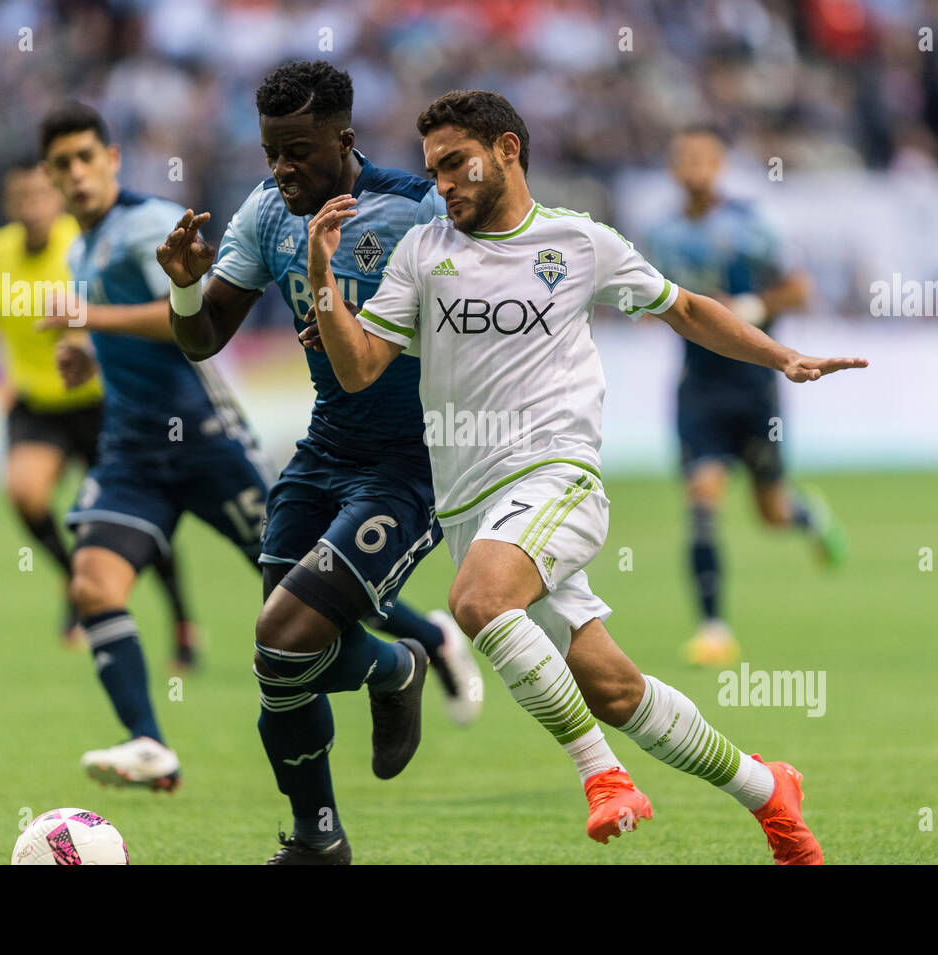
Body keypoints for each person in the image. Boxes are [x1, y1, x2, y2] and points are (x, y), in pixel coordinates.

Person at [305, 90, 869, 863]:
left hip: (556, 478)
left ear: (506, 150)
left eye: (455, 163)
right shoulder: (422, 252)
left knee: (476, 599)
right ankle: (769, 791)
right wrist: (323, 281)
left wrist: (784, 356)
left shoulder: (578, 243)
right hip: (470, 505)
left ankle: (603, 778)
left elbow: (685, 309)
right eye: (432, 170)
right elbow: (359, 366)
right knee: (612, 687)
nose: (442, 184)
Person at [160, 60, 482, 865]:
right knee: (284, 660)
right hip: (323, 451)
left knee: (282, 634)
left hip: (410, 467)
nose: (281, 169)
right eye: (271, 150)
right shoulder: (268, 212)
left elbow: (481, 322)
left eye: (297, 150)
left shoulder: (417, 209)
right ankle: (325, 824)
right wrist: (188, 290)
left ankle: (390, 676)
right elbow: (203, 340)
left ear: (343, 139)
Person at [38, 102, 274, 791]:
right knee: (92, 584)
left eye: (87, 157)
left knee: (309, 586)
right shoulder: (81, 247)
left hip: (203, 438)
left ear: (112, 159)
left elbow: (185, 320)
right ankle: (149, 741)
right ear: (51, 177)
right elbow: (118, 331)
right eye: (62, 164)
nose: (77, 173)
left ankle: (420, 645)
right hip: (134, 452)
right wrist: (88, 350)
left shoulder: (150, 223)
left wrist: (89, 317)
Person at [0, 158, 199, 663]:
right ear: (9, 203)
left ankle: (181, 621)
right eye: (22, 198)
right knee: (24, 493)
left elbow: (118, 305)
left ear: (57, 197)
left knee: (138, 518)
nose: (33, 207)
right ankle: (74, 580)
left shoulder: (84, 247)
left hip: (103, 401)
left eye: (41, 196)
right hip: (36, 404)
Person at [645, 127, 848, 666]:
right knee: (702, 500)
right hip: (699, 388)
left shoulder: (752, 223)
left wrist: (754, 306)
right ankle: (714, 628)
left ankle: (812, 518)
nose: (693, 167)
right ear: (672, 169)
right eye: (683, 157)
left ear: (720, 165)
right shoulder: (660, 234)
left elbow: (799, 287)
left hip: (753, 385)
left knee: (772, 511)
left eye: (703, 158)